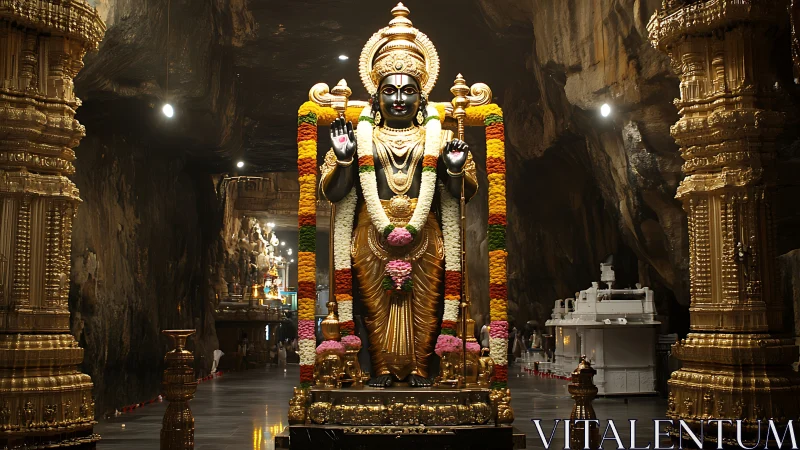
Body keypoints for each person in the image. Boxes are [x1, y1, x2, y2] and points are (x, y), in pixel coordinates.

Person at [319, 4, 477, 388]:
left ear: (422, 98)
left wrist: (454, 168)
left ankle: (424, 369)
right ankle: (381, 369)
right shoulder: (360, 138)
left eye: (409, 91)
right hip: (370, 235)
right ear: (377, 97)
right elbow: (336, 194)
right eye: (390, 91)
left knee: (426, 305)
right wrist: (343, 162)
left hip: (426, 237)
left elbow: (459, 198)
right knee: (376, 309)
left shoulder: (436, 138)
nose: (399, 99)